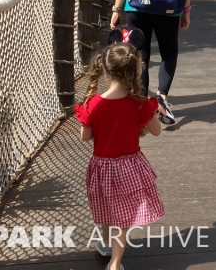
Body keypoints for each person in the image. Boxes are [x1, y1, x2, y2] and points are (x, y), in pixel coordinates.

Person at [76, 31, 164, 270]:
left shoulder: (93, 104)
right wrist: (152, 114)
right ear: (136, 70)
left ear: (106, 70)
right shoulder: (139, 104)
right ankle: (115, 263)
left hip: (102, 167)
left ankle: (106, 244)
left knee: (106, 207)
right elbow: (156, 131)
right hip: (129, 168)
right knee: (124, 217)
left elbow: (85, 137)